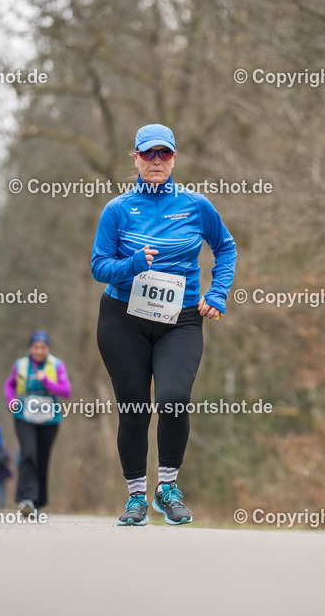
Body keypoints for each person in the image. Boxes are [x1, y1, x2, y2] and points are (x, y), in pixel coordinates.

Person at [91, 123, 237, 526]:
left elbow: (225, 247)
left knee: (173, 398)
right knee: (134, 408)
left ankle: (167, 489)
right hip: (124, 321)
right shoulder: (118, 209)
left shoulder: (195, 205)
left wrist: (218, 293)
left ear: (174, 158)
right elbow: (99, 266)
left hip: (181, 319)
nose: (157, 161)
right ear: (135, 158)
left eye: (165, 154)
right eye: (148, 154)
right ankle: (136, 496)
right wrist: (133, 265)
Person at [4, 330, 72, 516]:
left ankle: (38, 504)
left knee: (42, 459)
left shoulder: (56, 365)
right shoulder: (21, 365)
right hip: (24, 416)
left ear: (47, 348)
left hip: (49, 419)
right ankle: (26, 499)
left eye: (42, 347)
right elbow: (9, 385)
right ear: (31, 347)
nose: (39, 351)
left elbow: (66, 392)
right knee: (28, 454)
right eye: (35, 347)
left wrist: (47, 381)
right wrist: (11, 400)